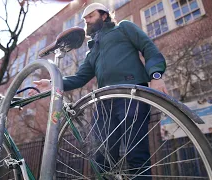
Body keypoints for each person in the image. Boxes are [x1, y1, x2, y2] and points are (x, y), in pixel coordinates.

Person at [29, 2, 168, 179]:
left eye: (90, 16)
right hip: (104, 103)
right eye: (84, 18)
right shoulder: (92, 50)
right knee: (102, 158)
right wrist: (52, 82)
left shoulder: (123, 28)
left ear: (104, 16)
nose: (86, 20)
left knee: (135, 153)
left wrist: (155, 76)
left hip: (130, 94)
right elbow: (79, 78)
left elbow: (148, 47)